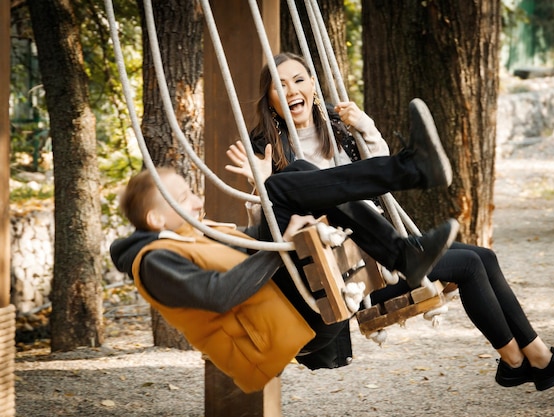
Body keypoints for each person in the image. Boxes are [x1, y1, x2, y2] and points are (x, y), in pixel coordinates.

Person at [223, 52, 554, 391]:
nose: (292, 89)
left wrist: (365, 126)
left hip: (374, 247)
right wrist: (259, 183)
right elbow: (266, 228)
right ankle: (522, 362)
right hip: (346, 274)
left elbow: (373, 179)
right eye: (281, 84)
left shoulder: (336, 131)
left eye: (299, 80)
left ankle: (530, 359)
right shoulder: (265, 149)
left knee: (484, 256)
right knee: (469, 264)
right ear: (270, 98)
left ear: (313, 88)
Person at [110, 136, 460, 393]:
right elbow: (218, 295)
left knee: (296, 173)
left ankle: (404, 254)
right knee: (279, 190)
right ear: (156, 218)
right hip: (279, 334)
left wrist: (279, 220)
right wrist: (282, 247)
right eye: (184, 198)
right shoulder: (153, 264)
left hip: (283, 308)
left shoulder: (190, 235)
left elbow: (249, 243)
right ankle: (411, 173)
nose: (199, 200)